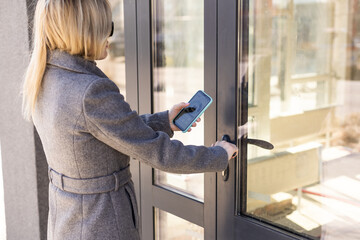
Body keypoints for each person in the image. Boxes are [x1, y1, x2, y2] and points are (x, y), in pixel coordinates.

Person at [22, 0, 238, 239]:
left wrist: (165, 121)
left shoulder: (47, 76)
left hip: (69, 219)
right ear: (86, 31)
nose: (111, 36)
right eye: (107, 27)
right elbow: (160, 153)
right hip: (100, 222)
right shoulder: (91, 90)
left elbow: (103, 133)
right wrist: (218, 155)